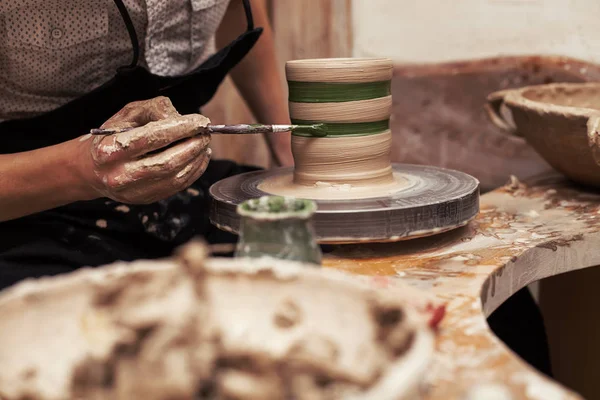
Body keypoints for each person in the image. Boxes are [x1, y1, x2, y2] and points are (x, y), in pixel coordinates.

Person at [0, 0, 292, 290]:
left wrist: (287, 149)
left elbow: (236, 9)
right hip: (30, 198)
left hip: (178, 185)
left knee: (301, 261)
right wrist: (85, 169)